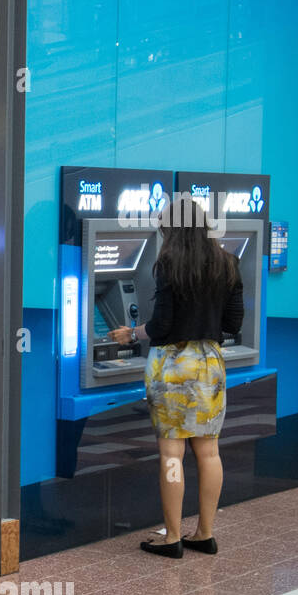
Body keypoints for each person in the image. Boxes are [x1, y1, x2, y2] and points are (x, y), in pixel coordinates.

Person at [110, 196, 243, 559]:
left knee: (172, 453)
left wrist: (129, 334)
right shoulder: (228, 263)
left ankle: (172, 537)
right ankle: (205, 533)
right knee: (209, 452)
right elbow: (233, 324)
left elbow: (160, 326)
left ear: (171, 228)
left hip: (171, 366)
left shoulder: (168, 264)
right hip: (210, 365)